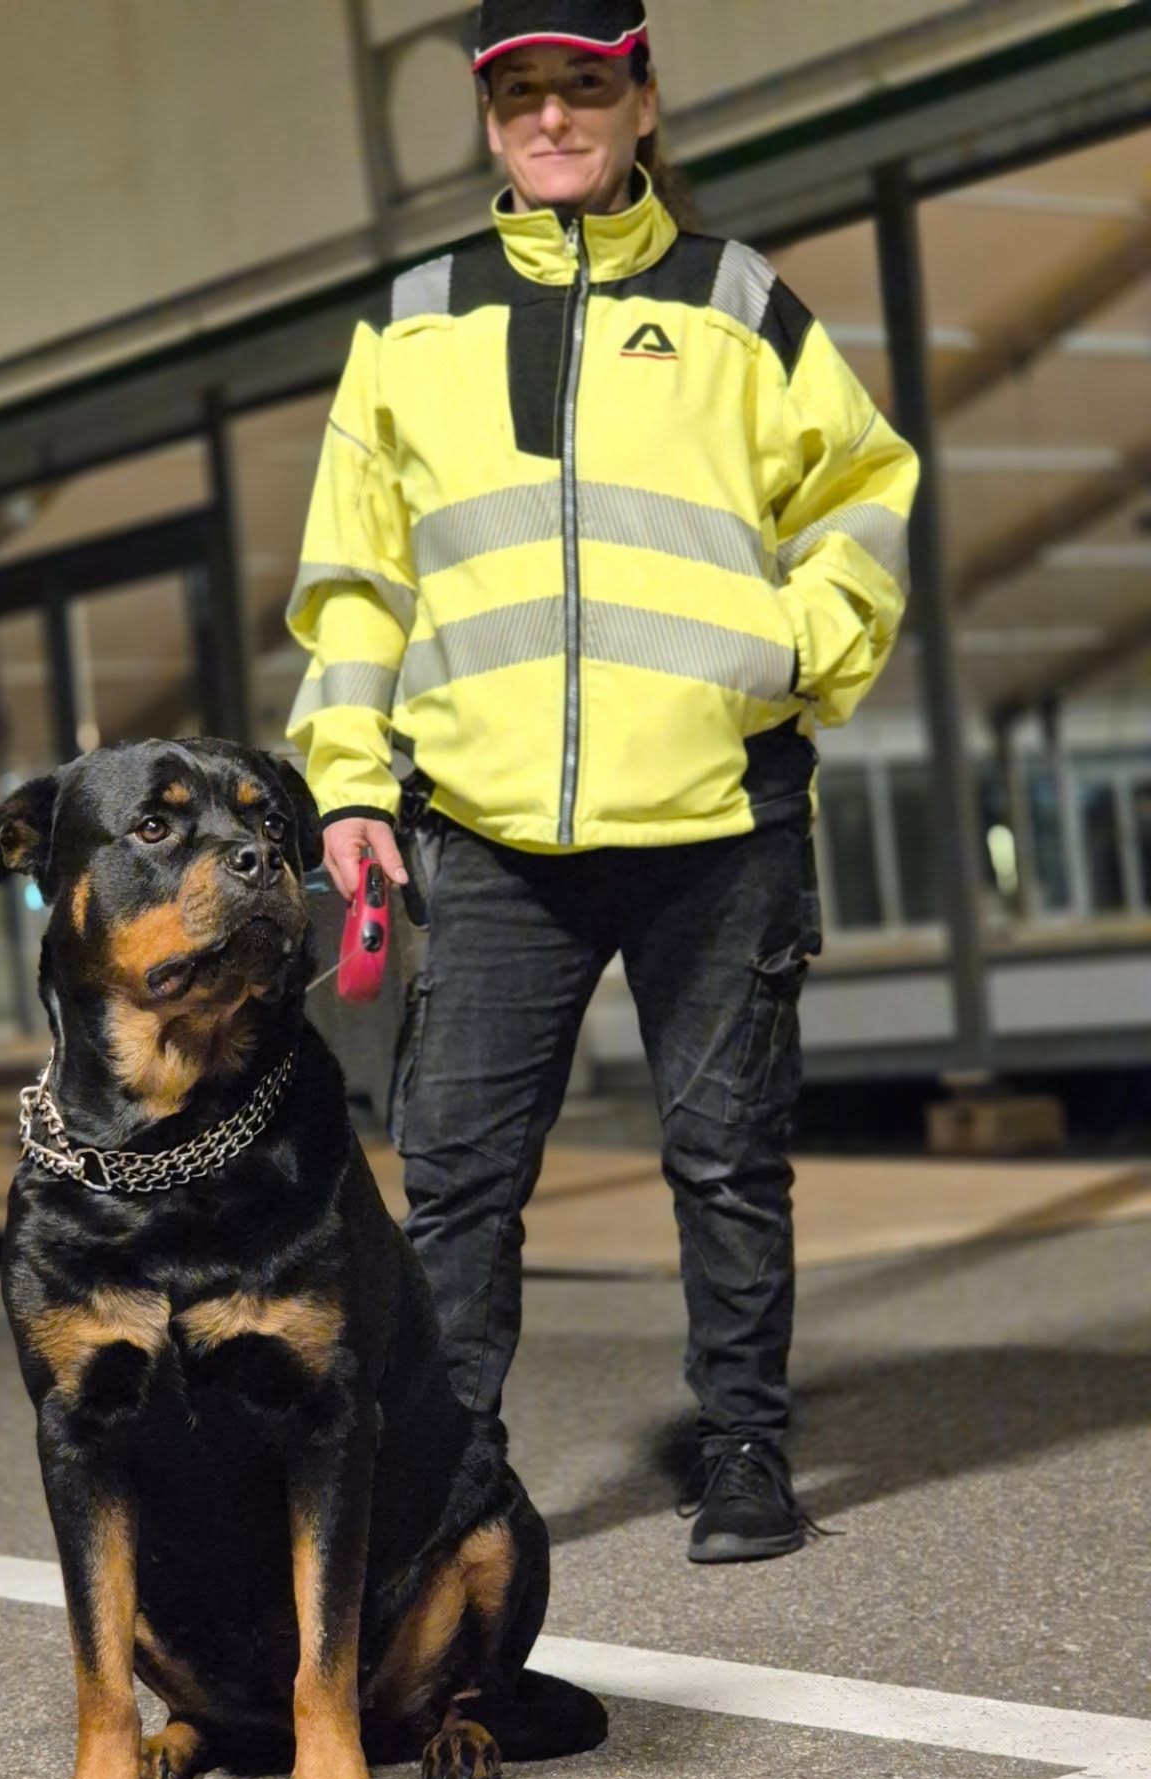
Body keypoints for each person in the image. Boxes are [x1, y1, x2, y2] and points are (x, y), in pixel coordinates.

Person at [286, 0, 919, 1562]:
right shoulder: (415, 321)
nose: (553, 119)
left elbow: (863, 499)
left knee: (727, 1161)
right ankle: (451, 1485)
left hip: (719, 817)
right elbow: (357, 581)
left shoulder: (737, 302)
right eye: (521, 95)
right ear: (488, 119)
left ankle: (747, 1450)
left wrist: (793, 653)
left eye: (583, 85)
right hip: (494, 831)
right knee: (460, 1180)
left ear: (642, 101)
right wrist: (350, 784)